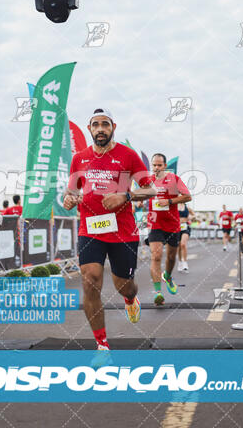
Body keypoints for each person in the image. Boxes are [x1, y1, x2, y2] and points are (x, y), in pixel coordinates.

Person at [64, 108, 156, 352]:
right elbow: (71, 190)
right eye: (96, 125)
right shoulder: (79, 158)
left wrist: (125, 194)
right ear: (90, 129)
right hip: (90, 229)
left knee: (124, 284)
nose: (100, 129)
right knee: (90, 280)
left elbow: (151, 189)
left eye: (105, 124)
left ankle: (129, 298)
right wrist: (70, 199)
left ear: (113, 127)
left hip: (122, 231)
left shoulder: (128, 155)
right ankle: (102, 344)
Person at [147, 154, 192, 306]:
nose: (156, 168)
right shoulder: (148, 180)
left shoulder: (174, 179)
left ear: (165, 165)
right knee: (156, 256)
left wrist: (170, 201)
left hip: (172, 223)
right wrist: (139, 202)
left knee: (171, 257)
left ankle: (167, 276)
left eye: (159, 165)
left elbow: (187, 196)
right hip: (154, 222)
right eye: (154, 165)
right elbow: (139, 195)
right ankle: (158, 292)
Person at [177, 203, 191, 272]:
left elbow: (194, 215)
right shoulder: (175, 206)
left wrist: (189, 218)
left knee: (183, 244)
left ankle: (185, 262)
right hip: (177, 228)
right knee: (179, 247)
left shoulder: (187, 207)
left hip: (185, 227)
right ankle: (180, 262)